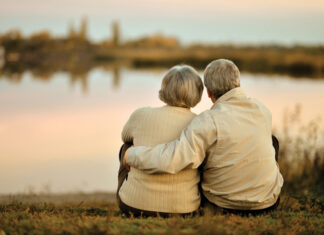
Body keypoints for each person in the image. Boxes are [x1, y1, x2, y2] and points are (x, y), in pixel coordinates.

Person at [125, 59, 284, 215]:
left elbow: (173, 158)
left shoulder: (208, 121)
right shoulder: (262, 110)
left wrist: (130, 155)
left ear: (208, 92)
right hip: (267, 203)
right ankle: (262, 188)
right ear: (239, 84)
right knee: (272, 141)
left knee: (201, 153)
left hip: (222, 205)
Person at [117, 65, 204, 217]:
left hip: (134, 206)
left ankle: (135, 191)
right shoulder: (200, 123)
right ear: (198, 93)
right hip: (184, 209)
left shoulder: (141, 114)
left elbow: (125, 136)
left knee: (126, 147)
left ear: (164, 89)